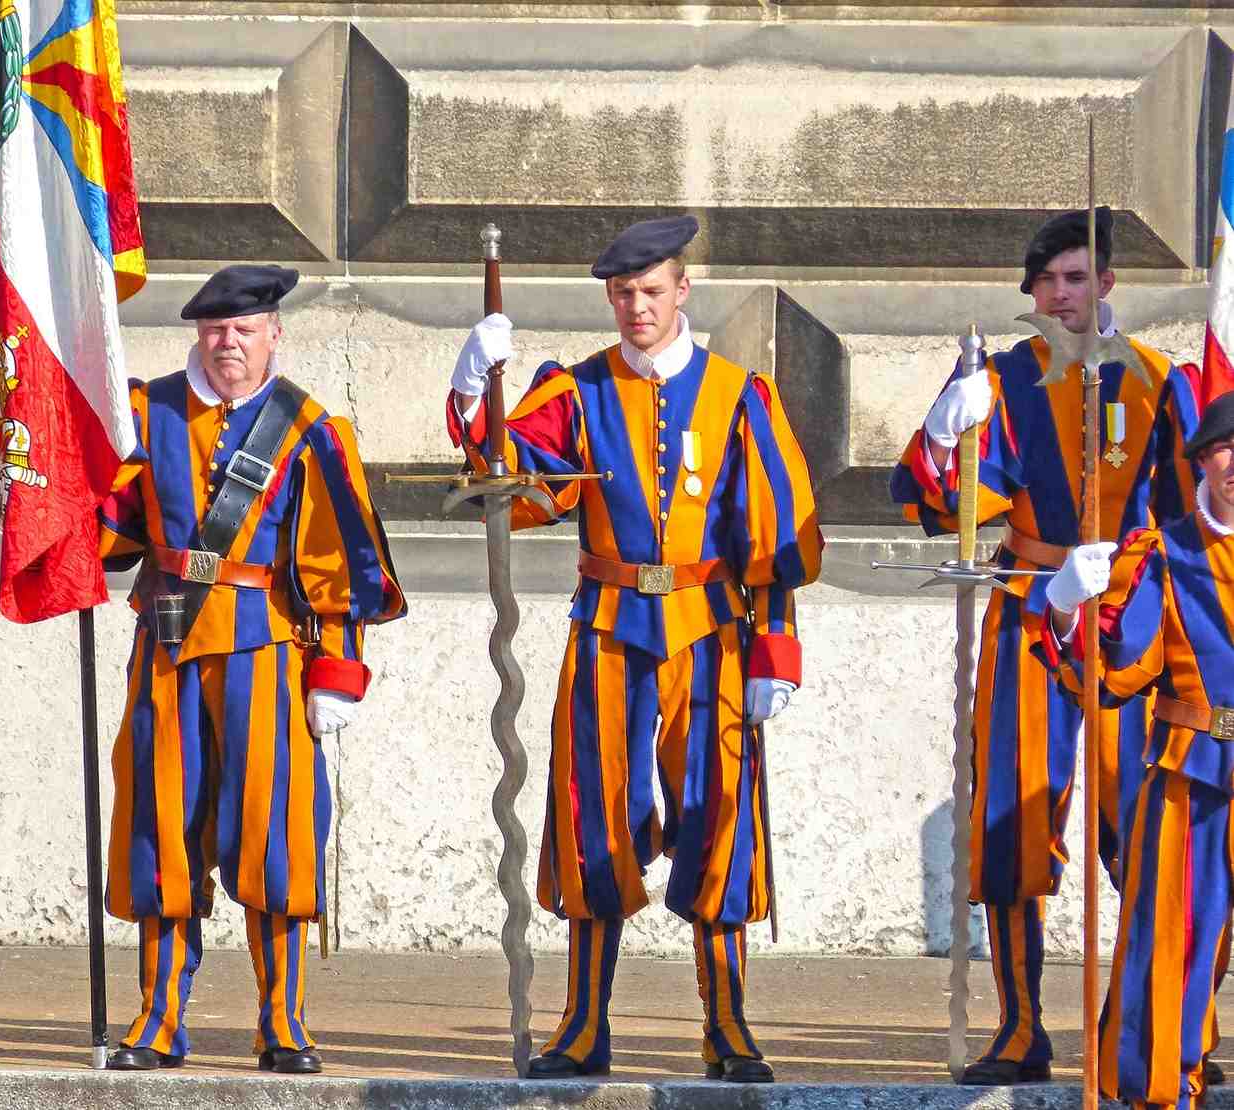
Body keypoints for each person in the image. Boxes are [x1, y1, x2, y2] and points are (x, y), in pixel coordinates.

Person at [445, 216, 822, 1081]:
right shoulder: (575, 390)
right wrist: (474, 394)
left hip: (708, 629)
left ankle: (727, 1025)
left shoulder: (739, 395)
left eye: (651, 292)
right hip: (609, 627)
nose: (636, 308)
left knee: (719, 817)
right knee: (591, 817)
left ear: (682, 291)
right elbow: (508, 479)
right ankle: (583, 1025)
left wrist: (776, 652)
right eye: (622, 294)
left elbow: (771, 535)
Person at [890, 207, 1201, 1085]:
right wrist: (951, 432)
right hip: (1030, 612)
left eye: (1075, 279)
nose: (1059, 295)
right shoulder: (1004, 378)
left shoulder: (1161, 383)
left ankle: (1154, 1028)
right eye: (1045, 283)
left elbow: (1194, 518)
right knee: (1014, 826)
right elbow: (944, 506)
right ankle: (1022, 1028)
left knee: (1144, 829)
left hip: (1133, 626)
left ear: (1107, 285)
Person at [96, 264, 406, 1074]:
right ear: (198, 333)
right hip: (164, 645)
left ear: (274, 333)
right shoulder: (149, 411)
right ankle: (157, 1019)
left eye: (244, 328)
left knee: (275, 837)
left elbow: (342, 563)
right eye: (214, 329)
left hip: (266, 650)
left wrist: (337, 670)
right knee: (161, 831)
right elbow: (112, 528)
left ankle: (282, 1022)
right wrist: (50, 492)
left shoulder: (306, 428)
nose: (228, 342)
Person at [1038, 389, 1234, 1109]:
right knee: (1174, 945)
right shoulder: (1166, 554)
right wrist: (1065, 606)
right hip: (1192, 777)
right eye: (1223, 447)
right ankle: (1162, 1091)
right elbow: (1117, 672)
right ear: (1202, 460)